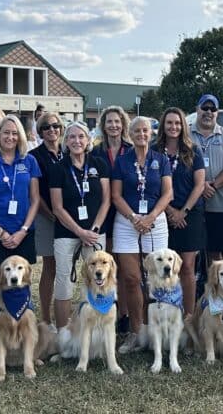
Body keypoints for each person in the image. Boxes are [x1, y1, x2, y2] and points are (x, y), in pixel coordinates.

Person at [0, 114, 42, 326]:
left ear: (20, 136)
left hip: (22, 232)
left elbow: (35, 199)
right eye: (5, 133)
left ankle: (20, 328)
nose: (10, 137)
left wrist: (23, 230)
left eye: (14, 133)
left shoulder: (29, 161)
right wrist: (0, 233)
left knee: (21, 283)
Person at [111, 115, 173, 353]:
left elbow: (168, 193)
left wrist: (150, 217)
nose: (141, 134)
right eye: (136, 130)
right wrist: (134, 218)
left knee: (157, 278)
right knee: (131, 278)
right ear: (130, 134)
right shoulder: (122, 161)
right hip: (127, 221)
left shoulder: (161, 159)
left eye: (145, 130)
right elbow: (116, 195)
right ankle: (136, 332)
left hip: (155, 220)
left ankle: (157, 331)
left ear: (151, 133)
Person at [49, 121, 110, 328]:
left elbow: (106, 200)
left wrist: (92, 230)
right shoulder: (58, 168)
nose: (77, 141)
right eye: (72, 137)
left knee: (98, 280)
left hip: (94, 232)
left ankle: (97, 326)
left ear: (88, 140)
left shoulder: (99, 164)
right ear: (65, 141)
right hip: (67, 231)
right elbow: (57, 207)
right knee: (64, 281)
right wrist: (79, 231)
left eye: (81, 136)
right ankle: (63, 331)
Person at [156, 107, 206, 317]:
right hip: (161, 213)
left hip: (189, 215)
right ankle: (167, 312)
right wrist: (169, 211)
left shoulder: (193, 150)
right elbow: (151, 186)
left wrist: (182, 212)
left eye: (177, 123)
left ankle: (188, 316)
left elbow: (200, 185)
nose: (173, 127)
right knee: (164, 267)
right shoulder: (154, 150)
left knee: (186, 266)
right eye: (169, 123)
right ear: (163, 125)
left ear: (183, 125)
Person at [90, 105, 133, 331]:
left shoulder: (132, 149)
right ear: (103, 126)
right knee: (105, 266)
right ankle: (104, 309)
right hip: (105, 212)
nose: (114, 126)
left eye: (117, 121)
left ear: (123, 124)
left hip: (127, 212)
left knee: (124, 268)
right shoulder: (95, 152)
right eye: (109, 122)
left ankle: (124, 313)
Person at [190, 94, 223, 265]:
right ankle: (195, 290)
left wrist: (212, 185)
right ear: (197, 109)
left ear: (217, 112)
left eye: (213, 109)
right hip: (190, 204)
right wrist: (200, 186)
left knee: (216, 254)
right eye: (205, 108)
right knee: (190, 253)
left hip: (220, 205)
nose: (208, 112)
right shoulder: (187, 134)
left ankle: (217, 290)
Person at [30, 111, 66, 329]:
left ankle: (65, 312)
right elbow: (36, 194)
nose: (51, 130)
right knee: (50, 266)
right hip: (47, 217)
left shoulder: (69, 151)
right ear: (40, 132)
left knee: (66, 267)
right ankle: (45, 317)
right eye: (46, 127)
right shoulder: (35, 156)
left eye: (55, 126)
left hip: (70, 218)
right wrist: (51, 215)